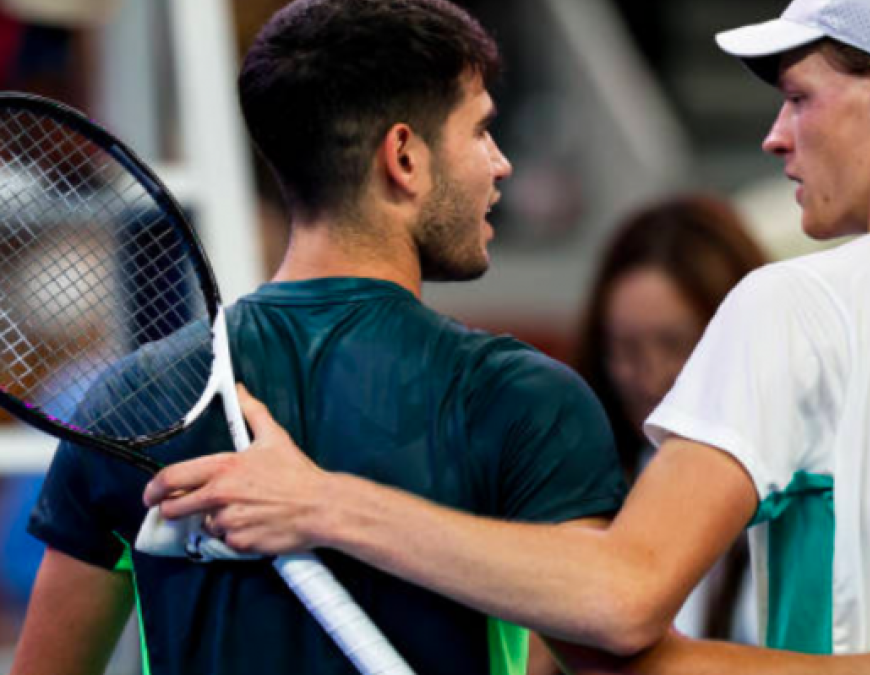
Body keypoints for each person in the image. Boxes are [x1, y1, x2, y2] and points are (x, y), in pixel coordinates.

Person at [140, 0, 870, 673]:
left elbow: (619, 607)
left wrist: (322, 503)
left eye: (801, 98)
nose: (775, 134)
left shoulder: (798, 310)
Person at [11, 1, 631, 674]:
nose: (501, 163)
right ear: (403, 156)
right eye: (480, 130)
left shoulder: (134, 399)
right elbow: (610, 617)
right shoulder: (526, 401)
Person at [574, 194, 766, 643]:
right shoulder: (589, 484)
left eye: (675, 343)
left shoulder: (803, 492)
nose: (650, 375)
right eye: (625, 349)